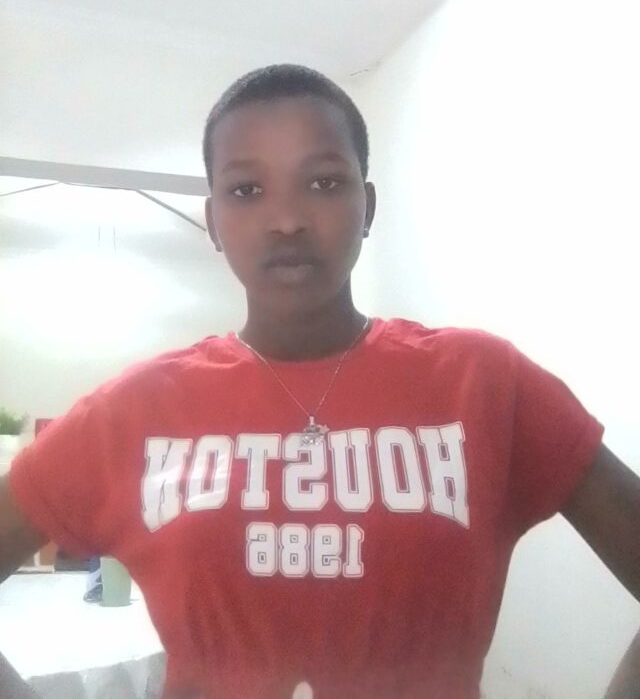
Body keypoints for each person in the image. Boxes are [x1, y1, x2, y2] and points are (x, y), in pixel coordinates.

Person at [0, 64, 638, 699]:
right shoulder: (132, 412)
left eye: (324, 182)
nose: (286, 219)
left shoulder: (486, 383)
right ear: (214, 223)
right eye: (247, 190)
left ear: (368, 207)